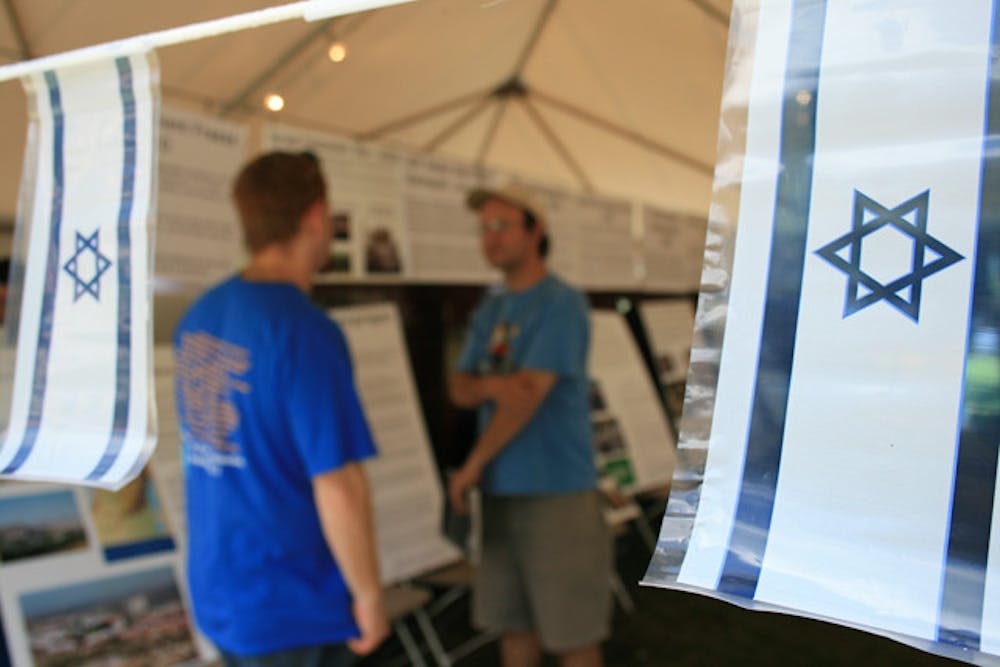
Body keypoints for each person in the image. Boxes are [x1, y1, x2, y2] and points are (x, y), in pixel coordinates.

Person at [173, 152, 388, 666]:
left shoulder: (200, 315)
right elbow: (337, 484)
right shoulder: (304, 332)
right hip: (291, 602)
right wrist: (370, 594)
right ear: (316, 217)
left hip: (223, 589)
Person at [448, 184, 611, 667]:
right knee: (512, 626)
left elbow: (527, 398)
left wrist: (472, 465)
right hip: (502, 493)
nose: (490, 239)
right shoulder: (493, 308)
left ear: (535, 231)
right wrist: (495, 388)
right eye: (483, 229)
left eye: (502, 226)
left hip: (557, 491)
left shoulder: (561, 303)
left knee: (571, 634)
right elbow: (458, 386)